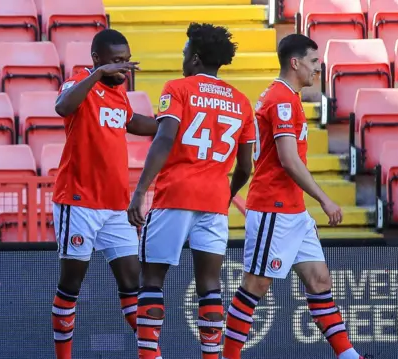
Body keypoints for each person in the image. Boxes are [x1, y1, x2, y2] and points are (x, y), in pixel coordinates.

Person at [221, 34, 373, 359]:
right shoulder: (281, 100)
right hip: (273, 207)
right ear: (295, 63)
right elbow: (289, 160)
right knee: (255, 286)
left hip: (293, 210)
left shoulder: (286, 97)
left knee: (319, 280)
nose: (318, 69)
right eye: (314, 62)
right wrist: (325, 198)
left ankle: (349, 357)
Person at [127, 23, 255, 359]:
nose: (183, 57)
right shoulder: (241, 102)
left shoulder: (178, 88)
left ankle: (150, 356)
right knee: (210, 286)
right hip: (214, 200)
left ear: (195, 58)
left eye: (185, 52)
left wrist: (140, 190)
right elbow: (245, 167)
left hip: (176, 194)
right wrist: (226, 194)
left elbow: (165, 137)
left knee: (152, 278)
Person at [51, 28, 159, 359]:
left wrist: (173, 123)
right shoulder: (79, 81)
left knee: (132, 285)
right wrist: (97, 75)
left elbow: (133, 122)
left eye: (126, 61)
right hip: (78, 200)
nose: (122, 68)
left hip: (116, 205)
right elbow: (62, 106)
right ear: (97, 60)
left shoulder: (118, 94)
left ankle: (151, 356)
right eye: (115, 61)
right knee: (71, 286)